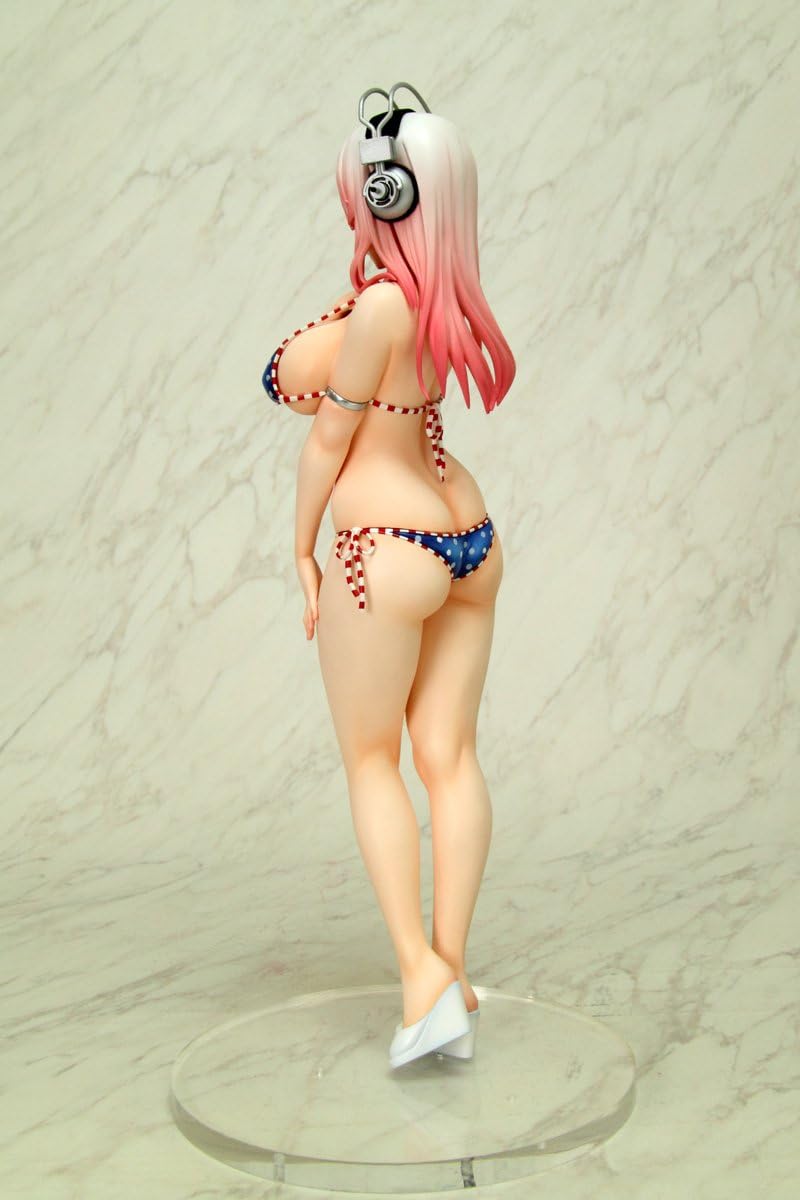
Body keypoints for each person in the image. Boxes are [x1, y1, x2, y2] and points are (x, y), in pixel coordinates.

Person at [263, 84, 516, 1067]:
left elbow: (328, 439)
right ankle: (453, 971)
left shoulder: (378, 306)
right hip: (466, 530)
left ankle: (420, 974)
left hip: (384, 541)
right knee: (450, 755)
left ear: (386, 192)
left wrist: (299, 546)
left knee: (372, 759)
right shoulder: (449, 299)